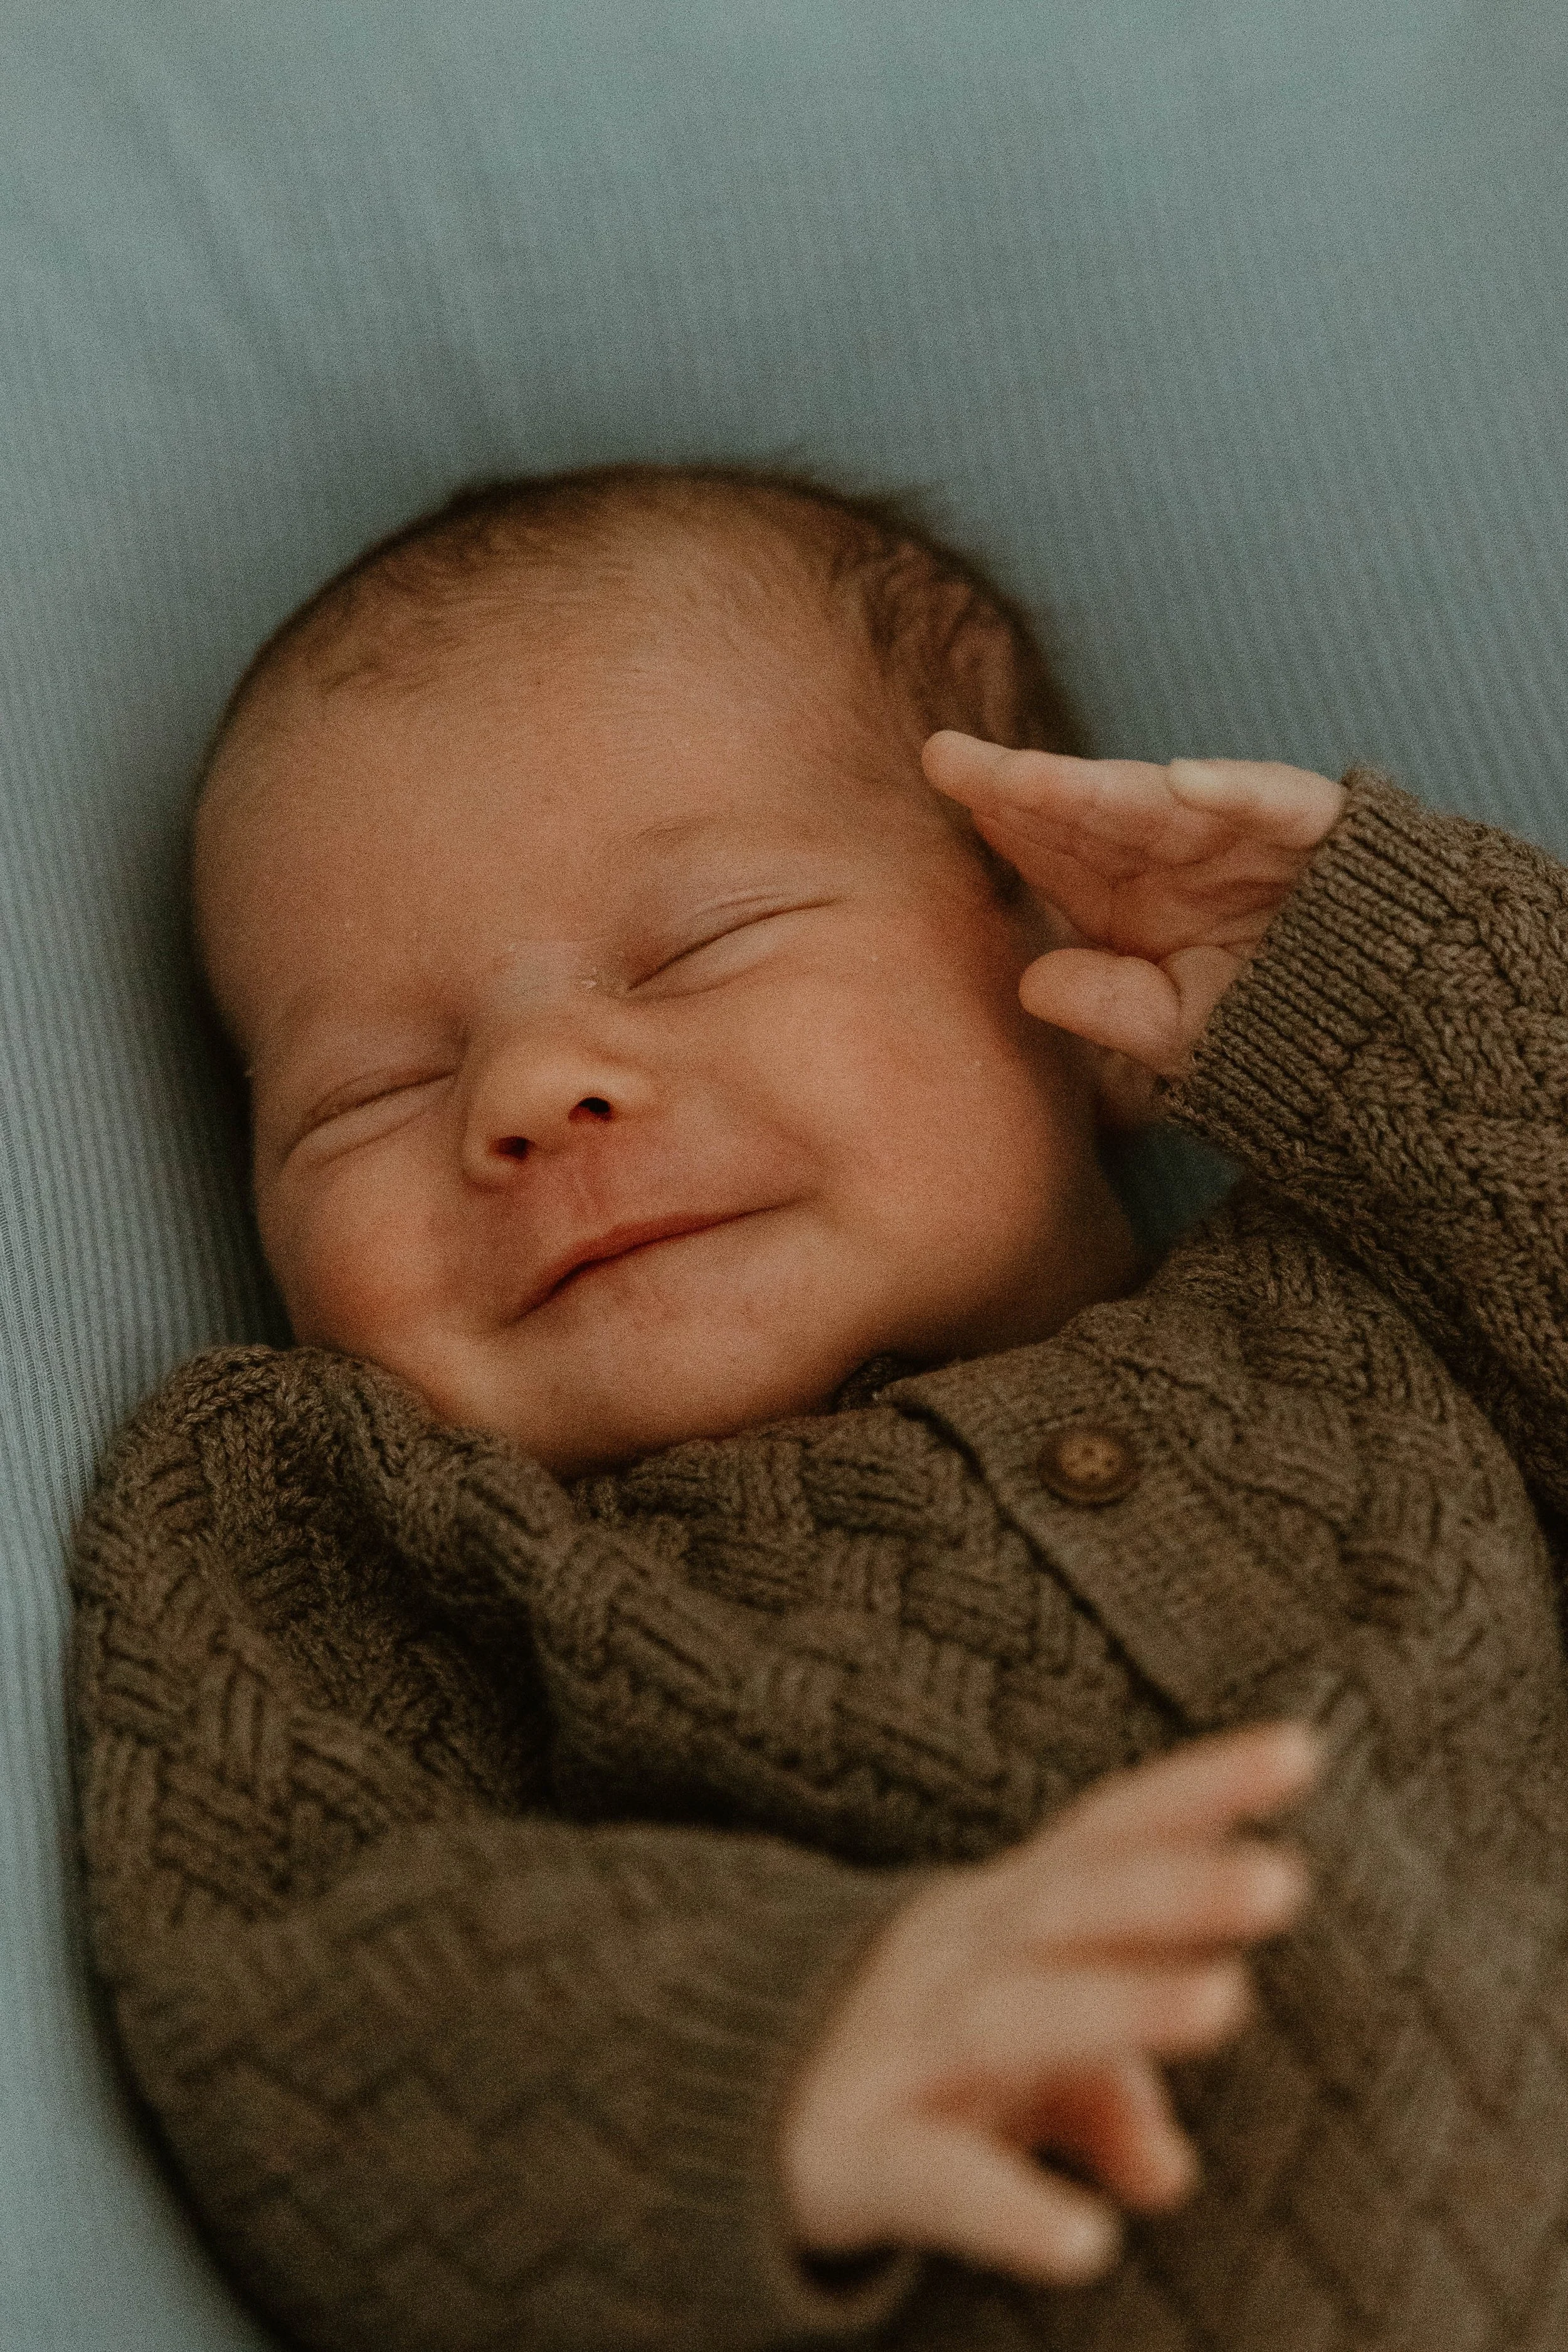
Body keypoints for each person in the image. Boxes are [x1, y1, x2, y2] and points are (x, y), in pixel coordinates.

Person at [70, 462, 1568, 2352]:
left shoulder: (1362, 1298)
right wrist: (782, 2048)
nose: (533, 1088)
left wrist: (1387, 1003)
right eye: (366, 1091)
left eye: (701, 944)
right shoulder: (343, 1522)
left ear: (1054, 962)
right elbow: (288, 1980)